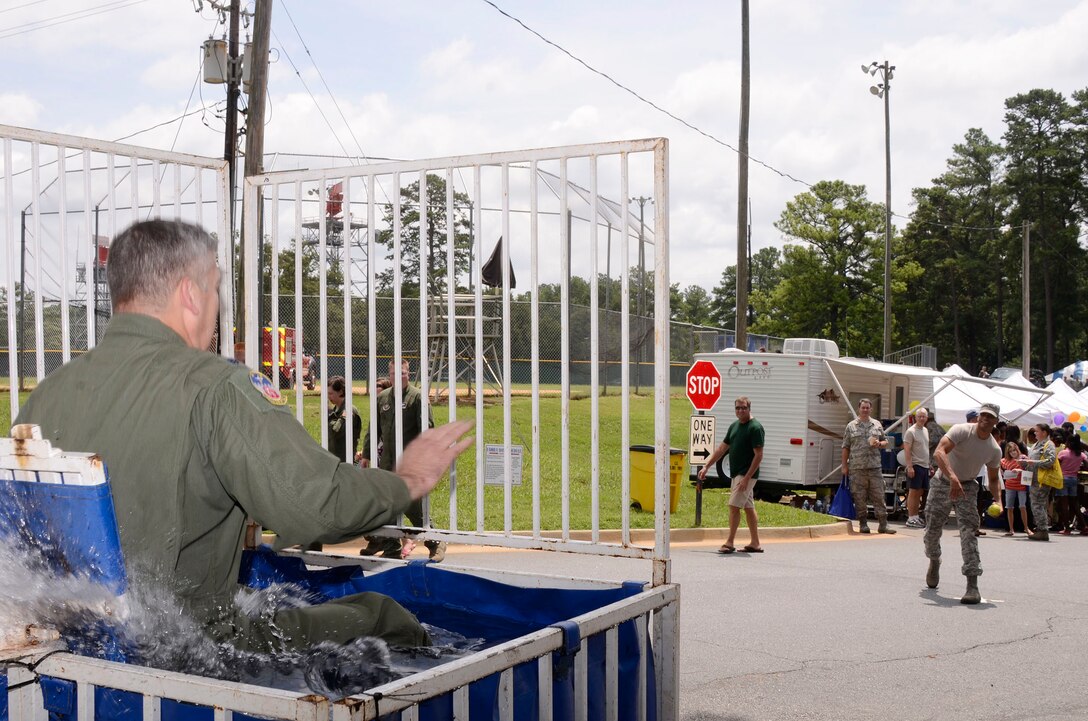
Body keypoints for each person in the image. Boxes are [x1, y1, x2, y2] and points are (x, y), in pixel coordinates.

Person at [14, 219, 474, 652]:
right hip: (188, 644)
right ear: (190, 295)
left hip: (77, 638)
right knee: (383, 615)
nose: (217, 309)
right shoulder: (215, 386)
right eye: (216, 290)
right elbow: (316, 507)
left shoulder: (46, 396)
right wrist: (407, 481)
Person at [360, 358, 447, 562]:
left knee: (412, 505)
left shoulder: (417, 398)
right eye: (393, 373)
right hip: (388, 463)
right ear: (388, 375)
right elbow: (374, 430)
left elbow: (427, 430)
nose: (397, 376)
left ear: (409, 373)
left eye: (402, 372)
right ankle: (392, 547)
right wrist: (366, 454)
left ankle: (435, 541)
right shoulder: (383, 398)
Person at [924, 403, 1002, 604]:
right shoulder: (961, 431)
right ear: (978, 416)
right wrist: (952, 477)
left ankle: (972, 584)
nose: (985, 419)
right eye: (983, 415)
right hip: (943, 483)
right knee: (932, 531)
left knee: (969, 534)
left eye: (990, 417)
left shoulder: (993, 449)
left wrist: (999, 501)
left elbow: (993, 479)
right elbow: (939, 452)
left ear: (996, 421)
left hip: (967, 487)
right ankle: (934, 559)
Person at [698, 396, 764, 554]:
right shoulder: (734, 426)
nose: (740, 411)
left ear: (749, 408)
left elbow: (759, 455)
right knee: (748, 507)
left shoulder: (755, 427)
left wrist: (747, 478)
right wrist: (706, 466)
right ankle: (755, 543)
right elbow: (721, 449)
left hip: (746, 475)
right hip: (736, 474)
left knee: (733, 506)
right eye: (737, 408)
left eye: (743, 408)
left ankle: (729, 542)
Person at [306, 376, 364, 552]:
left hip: (344, 465)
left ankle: (378, 538)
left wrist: (328, 416)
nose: (328, 396)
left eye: (331, 393)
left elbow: (337, 430)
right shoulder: (338, 410)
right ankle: (314, 541)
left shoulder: (349, 411)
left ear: (340, 391)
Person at [841, 398, 896, 534]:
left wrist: (879, 444)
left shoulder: (876, 425)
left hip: (874, 467)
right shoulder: (851, 426)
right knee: (859, 497)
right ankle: (863, 524)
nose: (865, 410)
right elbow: (845, 447)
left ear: (871, 409)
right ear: (859, 409)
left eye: (867, 408)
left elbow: (886, 442)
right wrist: (844, 466)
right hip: (857, 468)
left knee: (879, 496)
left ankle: (883, 524)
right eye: (863, 407)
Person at [1021, 422, 1057, 541]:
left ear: (1044, 432)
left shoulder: (1048, 444)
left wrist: (1034, 463)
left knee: (1038, 504)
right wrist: (1026, 460)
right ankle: (1040, 528)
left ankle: (1042, 530)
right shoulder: (1037, 444)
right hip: (1034, 479)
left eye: (1036, 431)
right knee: (1036, 504)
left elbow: (1050, 460)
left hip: (1041, 480)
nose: (1034, 433)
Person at [902, 408, 930, 528]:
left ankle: (916, 516)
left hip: (925, 465)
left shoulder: (925, 430)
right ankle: (911, 518)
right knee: (913, 492)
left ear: (927, 418)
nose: (922, 418)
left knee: (920, 491)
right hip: (915, 465)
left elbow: (925, 449)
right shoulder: (911, 431)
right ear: (915, 417)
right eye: (920, 416)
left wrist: (929, 465)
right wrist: (910, 466)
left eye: (924, 416)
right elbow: (907, 450)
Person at [1055, 432, 1085, 535]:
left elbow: (1056, 466)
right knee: (1075, 504)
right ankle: (1084, 525)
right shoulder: (1081, 454)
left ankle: (1067, 528)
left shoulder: (1063, 453)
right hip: (1074, 479)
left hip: (1063, 479)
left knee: (1064, 505)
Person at [1000, 441, 1031, 536]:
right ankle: (1011, 529)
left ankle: (1026, 528)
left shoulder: (1023, 458)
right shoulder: (1004, 461)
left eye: (1014, 450)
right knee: (1009, 507)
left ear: (1017, 449)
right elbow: (1000, 468)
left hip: (1021, 486)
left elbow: (1029, 470)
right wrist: (1002, 472)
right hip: (1009, 486)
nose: (1013, 452)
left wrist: (1019, 470)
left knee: (1022, 506)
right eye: (1010, 451)